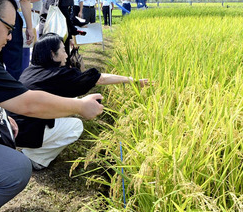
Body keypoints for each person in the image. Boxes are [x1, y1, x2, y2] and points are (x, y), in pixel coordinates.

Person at [0, 0, 103, 212]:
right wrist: (80, 107)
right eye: (8, 28)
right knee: (17, 169)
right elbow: (28, 104)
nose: (10, 37)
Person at [9, 33, 149, 170]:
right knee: (76, 126)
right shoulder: (58, 75)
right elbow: (100, 79)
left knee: (72, 101)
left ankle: (36, 147)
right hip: (25, 132)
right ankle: (35, 158)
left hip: (13, 128)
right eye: (63, 51)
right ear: (52, 54)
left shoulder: (31, 70)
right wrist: (132, 80)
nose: (66, 55)